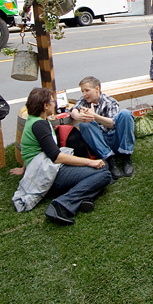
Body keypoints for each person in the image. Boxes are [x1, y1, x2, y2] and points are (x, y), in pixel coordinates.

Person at [12, 88, 112, 225]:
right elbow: (56, 157)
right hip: (47, 174)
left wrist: (24, 168)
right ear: (45, 106)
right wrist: (89, 162)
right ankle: (62, 204)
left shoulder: (33, 120)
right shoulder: (40, 125)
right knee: (104, 174)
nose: (55, 104)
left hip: (43, 168)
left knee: (103, 166)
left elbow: (30, 148)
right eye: (52, 101)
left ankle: (83, 199)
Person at [70, 76, 136, 180]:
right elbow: (74, 109)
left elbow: (113, 124)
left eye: (87, 90)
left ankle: (126, 156)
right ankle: (109, 160)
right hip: (100, 141)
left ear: (97, 89)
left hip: (115, 138)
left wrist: (95, 116)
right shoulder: (84, 101)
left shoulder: (110, 102)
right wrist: (77, 116)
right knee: (84, 124)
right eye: (82, 91)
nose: (84, 94)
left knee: (126, 114)